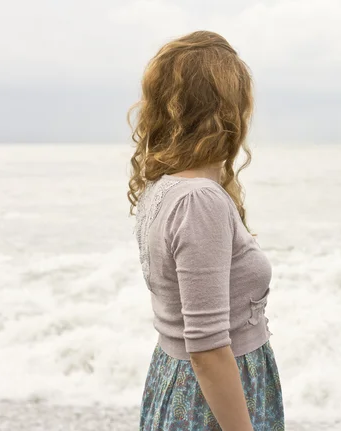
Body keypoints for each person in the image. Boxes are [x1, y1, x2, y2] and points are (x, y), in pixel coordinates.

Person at [126, 30, 284, 431]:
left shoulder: (163, 189)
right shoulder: (199, 201)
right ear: (227, 109)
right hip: (209, 403)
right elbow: (208, 349)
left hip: (180, 385)